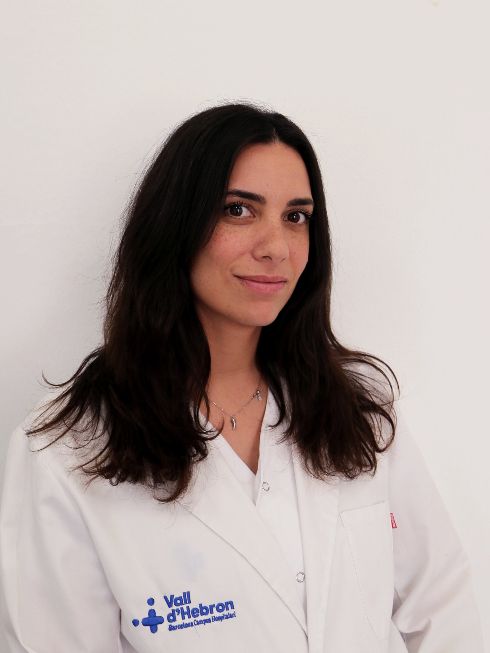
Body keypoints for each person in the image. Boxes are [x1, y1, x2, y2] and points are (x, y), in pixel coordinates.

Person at [0, 102, 484, 653]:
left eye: (296, 217)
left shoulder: (359, 411)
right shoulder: (70, 451)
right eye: (238, 210)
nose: (276, 247)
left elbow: (442, 610)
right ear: (175, 225)